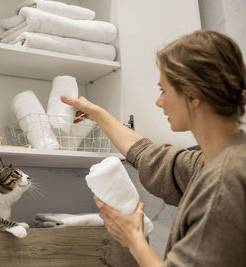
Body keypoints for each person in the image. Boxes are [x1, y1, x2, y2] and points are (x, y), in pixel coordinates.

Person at [61, 29, 246, 267]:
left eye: (163, 90)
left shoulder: (225, 182)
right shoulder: (217, 160)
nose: (159, 102)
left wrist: (133, 238)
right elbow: (152, 156)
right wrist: (98, 115)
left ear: (193, 95)